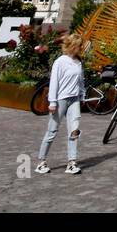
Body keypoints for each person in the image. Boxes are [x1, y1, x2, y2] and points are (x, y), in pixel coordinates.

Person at [36, 33, 86, 176]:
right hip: (60, 101)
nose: (81, 48)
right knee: (52, 131)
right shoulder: (60, 61)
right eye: (79, 45)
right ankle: (41, 162)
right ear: (72, 45)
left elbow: (81, 80)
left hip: (74, 100)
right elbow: (54, 83)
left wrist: (82, 95)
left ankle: (72, 163)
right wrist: (52, 102)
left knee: (74, 132)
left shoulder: (79, 62)